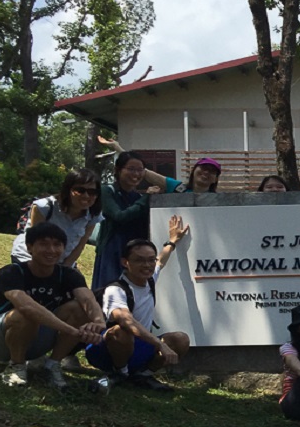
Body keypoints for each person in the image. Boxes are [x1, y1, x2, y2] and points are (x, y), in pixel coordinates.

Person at [0, 222, 106, 388]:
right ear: (29, 247)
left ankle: (51, 366)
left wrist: (99, 323)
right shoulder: (11, 272)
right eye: (43, 244)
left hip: (36, 338)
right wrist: (73, 331)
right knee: (26, 314)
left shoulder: (68, 274)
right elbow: (27, 307)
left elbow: (88, 300)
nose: (51, 250)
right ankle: (16, 366)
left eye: (57, 245)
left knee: (79, 309)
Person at [84, 217, 193, 392]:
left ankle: (143, 376)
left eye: (150, 260)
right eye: (140, 260)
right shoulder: (116, 290)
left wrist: (172, 241)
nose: (147, 265)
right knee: (123, 331)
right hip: (106, 350)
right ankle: (120, 373)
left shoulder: (148, 279)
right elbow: (127, 322)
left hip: (138, 346)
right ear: (125, 262)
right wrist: (160, 344)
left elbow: (160, 261)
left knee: (180, 339)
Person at [11, 169, 103, 268]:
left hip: (61, 262)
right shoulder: (44, 207)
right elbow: (35, 242)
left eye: (92, 192)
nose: (86, 196)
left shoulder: (93, 215)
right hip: (29, 258)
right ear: (68, 190)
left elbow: (80, 246)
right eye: (80, 190)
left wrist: (64, 270)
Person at [94, 152, 159, 289]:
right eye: (131, 169)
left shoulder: (139, 197)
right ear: (118, 170)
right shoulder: (107, 191)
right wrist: (146, 198)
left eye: (140, 170)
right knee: (108, 293)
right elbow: (120, 217)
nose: (136, 174)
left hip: (137, 254)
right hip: (113, 251)